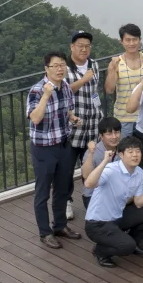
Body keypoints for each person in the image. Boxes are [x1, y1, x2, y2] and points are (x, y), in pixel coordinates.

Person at [28, 51, 83, 249]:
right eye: (55, 66)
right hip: (43, 148)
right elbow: (35, 118)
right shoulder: (37, 90)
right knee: (42, 192)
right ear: (46, 69)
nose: (60, 69)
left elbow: (66, 110)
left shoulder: (66, 86)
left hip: (63, 144)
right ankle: (45, 233)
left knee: (63, 188)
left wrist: (72, 118)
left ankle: (60, 226)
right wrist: (46, 95)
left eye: (62, 65)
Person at [84, 136, 143, 267]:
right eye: (130, 151)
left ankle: (133, 243)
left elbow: (139, 203)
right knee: (126, 246)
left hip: (117, 218)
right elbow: (88, 183)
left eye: (138, 151)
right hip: (97, 224)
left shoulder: (139, 172)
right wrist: (105, 161)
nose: (135, 155)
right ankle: (100, 251)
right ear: (121, 155)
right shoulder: (111, 170)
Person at [65, 30, 102, 221]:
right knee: (67, 168)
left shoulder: (94, 64)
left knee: (90, 166)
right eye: (80, 45)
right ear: (72, 47)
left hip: (93, 126)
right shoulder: (64, 67)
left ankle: (91, 200)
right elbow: (62, 91)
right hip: (73, 128)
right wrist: (83, 80)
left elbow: (95, 90)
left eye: (87, 46)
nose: (84, 49)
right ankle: (67, 202)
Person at [105, 23, 143, 137]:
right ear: (121, 41)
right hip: (123, 117)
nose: (131, 43)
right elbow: (110, 90)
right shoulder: (116, 62)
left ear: (140, 40)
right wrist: (112, 70)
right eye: (128, 40)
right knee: (124, 152)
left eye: (135, 40)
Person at [81, 117, 122, 208]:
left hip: (116, 192)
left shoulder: (123, 149)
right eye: (109, 133)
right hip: (93, 195)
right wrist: (91, 154)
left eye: (117, 132)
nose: (114, 137)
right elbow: (86, 176)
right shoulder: (93, 151)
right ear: (101, 136)